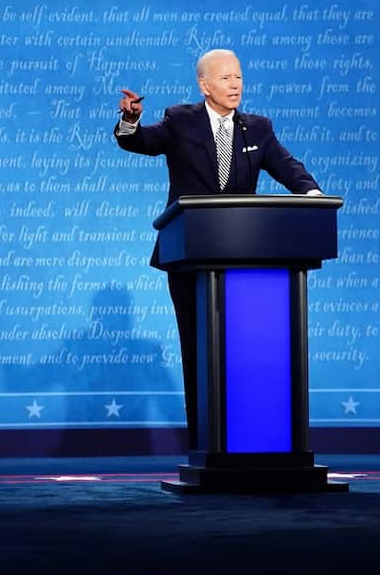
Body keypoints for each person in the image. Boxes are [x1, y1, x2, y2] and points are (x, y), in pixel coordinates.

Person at [113, 48, 319, 451]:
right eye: (225, 78)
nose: (235, 84)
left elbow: (286, 166)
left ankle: (252, 442)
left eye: (239, 77)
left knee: (243, 356)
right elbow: (140, 142)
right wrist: (130, 120)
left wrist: (312, 193)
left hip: (246, 261)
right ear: (204, 86)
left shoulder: (257, 128)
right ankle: (205, 444)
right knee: (199, 350)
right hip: (190, 257)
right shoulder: (180, 120)